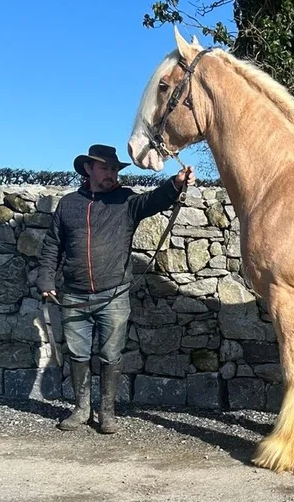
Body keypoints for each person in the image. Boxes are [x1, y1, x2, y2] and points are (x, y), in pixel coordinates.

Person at [37, 143, 193, 434]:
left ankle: (107, 412)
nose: (110, 174)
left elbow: (155, 200)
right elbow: (53, 246)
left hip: (114, 294)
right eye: (104, 168)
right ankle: (82, 409)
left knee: (111, 355)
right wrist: (46, 279)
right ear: (88, 169)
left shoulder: (126, 202)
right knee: (78, 354)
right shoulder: (68, 204)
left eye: (113, 169)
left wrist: (176, 183)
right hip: (73, 294)